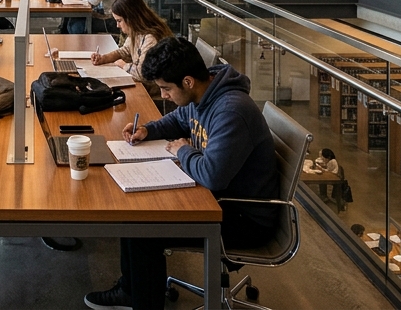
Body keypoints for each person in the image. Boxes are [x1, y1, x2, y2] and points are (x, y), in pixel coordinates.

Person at [85, 37, 279, 310]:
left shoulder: (231, 111)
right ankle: (132, 291)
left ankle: (140, 299)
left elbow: (212, 175)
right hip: (217, 199)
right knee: (131, 218)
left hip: (242, 216)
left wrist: (183, 151)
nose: (163, 96)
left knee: (143, 232)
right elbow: (179, 119)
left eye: (166, 89)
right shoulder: (204, 91)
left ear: (188, 81)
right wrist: (149, 130)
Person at [90, 0, 173, 100]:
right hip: (144, 87)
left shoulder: (150, 38)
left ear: (130, 18)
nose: (117, 25)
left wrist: (123, 65)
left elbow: (142, 74)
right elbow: (124, 51)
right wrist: (104, 58)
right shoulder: (137, 31)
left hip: (154, 93)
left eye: (119, 21)